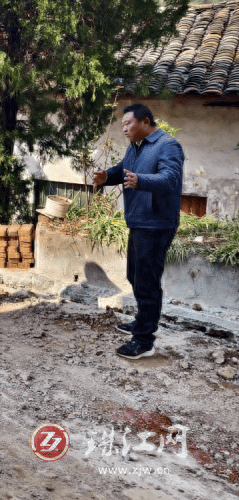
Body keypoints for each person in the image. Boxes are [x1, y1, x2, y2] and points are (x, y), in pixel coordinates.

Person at [92, 103, 184, 360]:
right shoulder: (135, 148)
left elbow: (171, 179)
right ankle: (142, 321)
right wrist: (105, 177)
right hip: (139, 221)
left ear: (145, 122)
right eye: (122, 124)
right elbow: (123, 170)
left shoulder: (168, 146)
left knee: (147, 282)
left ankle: (144, 341)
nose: (124, 128)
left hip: (157, 224)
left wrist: (141, 180)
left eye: (128, 123)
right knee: (135, 276)